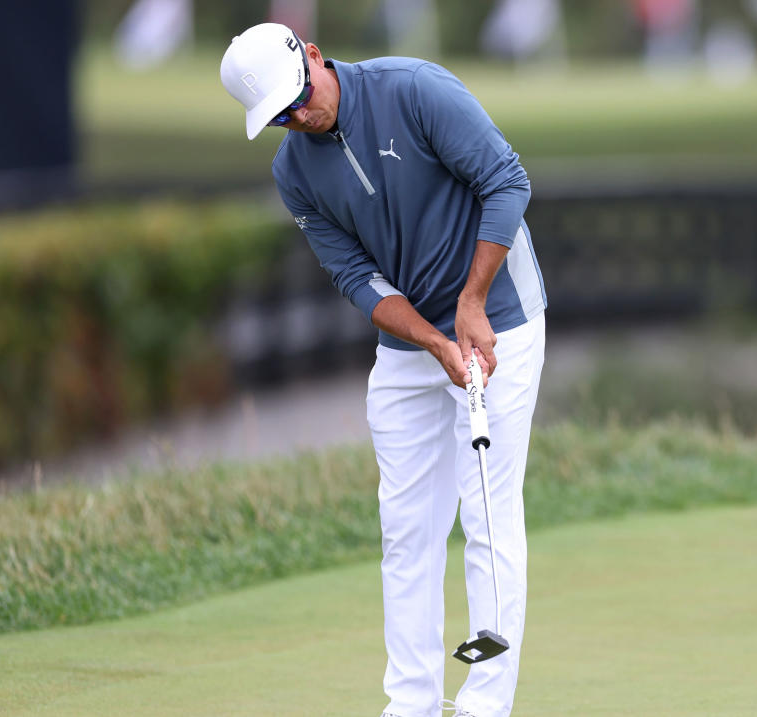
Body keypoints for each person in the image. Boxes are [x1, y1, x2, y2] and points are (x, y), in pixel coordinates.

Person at [220, 23, 547, 717]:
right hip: (413, 345)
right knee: (406, 528)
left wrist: (471, 303)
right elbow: (358, 280)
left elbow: (507, 181)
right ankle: (412, 703)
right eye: (280, 114)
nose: (298, 116)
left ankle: (484, 703)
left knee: (487, 514)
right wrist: (432, 341)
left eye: (298, 97)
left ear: (312, 55)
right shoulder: (293, 171)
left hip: (501, 320)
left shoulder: (413, 89)